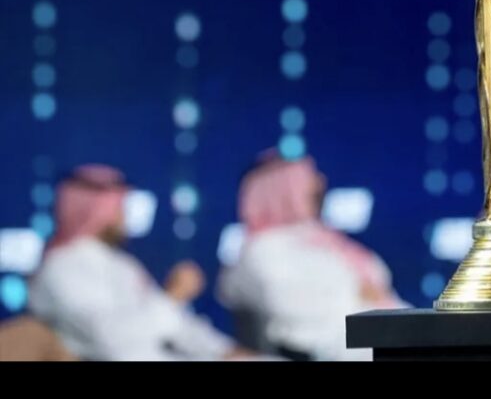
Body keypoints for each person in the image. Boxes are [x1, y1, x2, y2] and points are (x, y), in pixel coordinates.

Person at [28, 164, 247, 361]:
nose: (124, 217)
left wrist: (224, 350)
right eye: (118, 208)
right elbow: (112, 340)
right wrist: (173, 295)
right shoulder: (62, 267)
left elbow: (178, 325)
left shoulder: (123, 265)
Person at [217, 151, 404, 361]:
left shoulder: (324, 238)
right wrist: (354, 290)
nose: (319, 183)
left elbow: (378, 282)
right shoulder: (263, 247)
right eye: (307, 179)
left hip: (386, 331)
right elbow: (292, 305)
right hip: (335, 346)